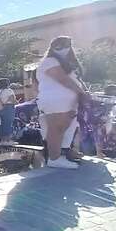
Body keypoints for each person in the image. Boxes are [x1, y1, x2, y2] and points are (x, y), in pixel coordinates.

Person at [36, 36, 89, 169]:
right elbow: (62, 79)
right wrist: (81, 93)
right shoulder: (49, 61)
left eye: (66, 45)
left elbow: (73, 79)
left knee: (65, 129)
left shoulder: (67, 63)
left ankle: (61, 155)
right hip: (55, 100)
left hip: (68, 102)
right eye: (59, 45)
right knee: (57, 128)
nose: (63, 48)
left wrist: (83, 92)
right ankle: (54, 158)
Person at [0, 79, 17, 145]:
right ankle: (8, 140)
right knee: (8, 123)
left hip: (1, 108)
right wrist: (15, 102)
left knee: (2, 124)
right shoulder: (9, 90)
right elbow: (12, 99)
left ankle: (3, 140)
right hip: (8, 107)